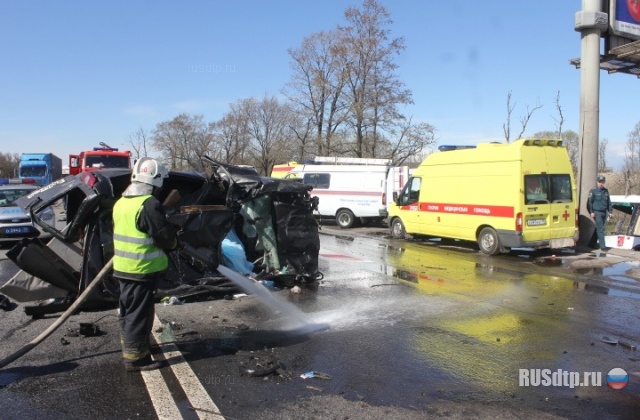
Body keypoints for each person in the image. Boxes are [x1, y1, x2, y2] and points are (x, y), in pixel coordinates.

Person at [112, 157, 178, 372]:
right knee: (138, 314)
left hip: (124, 268)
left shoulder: (121, 203)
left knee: (129, 311)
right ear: (156, 180)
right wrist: (175, 239)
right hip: (141, 270)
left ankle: (133, 347)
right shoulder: (148, 204)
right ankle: (135, 359)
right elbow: (163, 236)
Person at [587, 175, 612, 251]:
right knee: (601, 229)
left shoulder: (606, 191)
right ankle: (603, 246)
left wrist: (610, 212)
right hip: (596, 212)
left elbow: (609, 202)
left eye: (602, 182)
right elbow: (589, 203)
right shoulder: (593, 191)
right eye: (600, 182)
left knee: (599, 227)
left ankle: (591, 243)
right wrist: (591, 212)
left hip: (604, 212)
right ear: (597, 182)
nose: (601, 184)